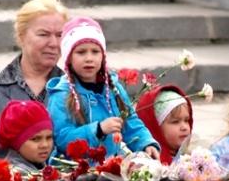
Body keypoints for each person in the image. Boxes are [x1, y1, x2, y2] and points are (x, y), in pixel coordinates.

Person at [46, 17, 160, 159]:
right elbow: (62, 138)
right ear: (68, 58)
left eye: (95, 51)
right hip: (76, 170)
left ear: (103, 56)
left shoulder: (114, 88)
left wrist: (146, 143)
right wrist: (98, 129)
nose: (89, 58)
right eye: (81, 52)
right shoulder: (62, 94)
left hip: (112, 164)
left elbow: (131, 121)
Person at [0, 0, 68, 128]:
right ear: (21, 36)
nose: (54, 43)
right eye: (43, 34)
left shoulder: (74, 89)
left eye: (60, 35)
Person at [136, 84, 193, 165]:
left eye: (187, 120)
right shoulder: (150, 164)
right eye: (175, 122)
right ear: (156, 129)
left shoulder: (193, 158)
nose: (184, 127)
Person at [0, 100, 54, 172]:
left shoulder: (38, 165)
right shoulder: (16, 177)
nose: (45, 145)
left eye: (49, 137)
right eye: (35, 139)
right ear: (16, 143)